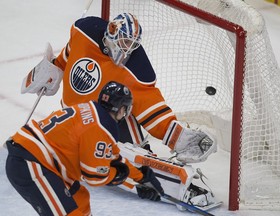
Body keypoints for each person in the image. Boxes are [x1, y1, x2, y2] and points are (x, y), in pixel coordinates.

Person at [20, 13, 218, 210]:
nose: (127, 49)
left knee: (125, 146)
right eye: (124, 41)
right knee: (85, 158)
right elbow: (70, 52)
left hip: (109, 120)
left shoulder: (137, 68)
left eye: (132, 44)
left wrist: (178, 137)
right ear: (111, 32)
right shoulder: (84, 30)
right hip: (77, 117)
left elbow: (152, 107)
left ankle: (148, 165)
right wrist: (54, 67)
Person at [5, 81, 164, 216]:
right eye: (126, 109)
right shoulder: (100, 129)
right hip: (30, 164)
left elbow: (111, 158)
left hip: (37, 160)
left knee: (80, 199)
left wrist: (140, 177)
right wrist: (121, 175)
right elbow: (94, 177)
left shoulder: (92, 112)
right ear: (121, 109)